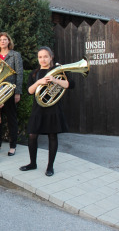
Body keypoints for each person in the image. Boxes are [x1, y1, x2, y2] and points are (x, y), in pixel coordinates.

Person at [19, 47, 74, 177]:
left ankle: (50, 166)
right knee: (32, 135)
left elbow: (70, 84)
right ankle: (33, 163)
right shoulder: (34, 73)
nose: (43, 59)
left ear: (51, 57)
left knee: (52, 136)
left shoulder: (58, 71)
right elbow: (29, 91)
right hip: (38, 108)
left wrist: (54, 80)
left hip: (53, 108)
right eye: (40, 57)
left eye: (45, 56)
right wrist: (39, 82)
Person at [0, 32, 23, 156]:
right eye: (0, 40)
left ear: (9, 41)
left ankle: (13, 145)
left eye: (5, 39)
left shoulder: (15, 55)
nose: (3, 41)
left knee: (11, 119)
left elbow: (19, 74)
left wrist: (17, 92)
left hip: (9, 91)